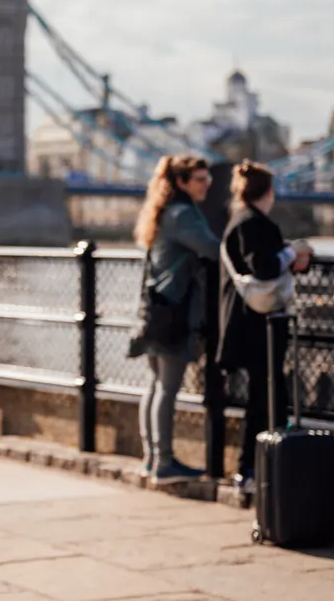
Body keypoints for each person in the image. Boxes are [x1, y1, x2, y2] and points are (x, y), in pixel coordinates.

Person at [217, 160, 312, 494]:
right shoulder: (254, 224)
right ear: (268, 192)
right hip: (260, 326)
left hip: (247, 322)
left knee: (265, 394)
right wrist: (292, 252)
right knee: (266, 395)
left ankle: (257, 468)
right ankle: (256, 469)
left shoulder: (239, 221)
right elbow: (265, 267)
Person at [131, 154, 220, 484]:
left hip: (156, 309)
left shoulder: (165, 210)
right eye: (200, 179)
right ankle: (164, 462)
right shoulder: (183, 214)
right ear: (181, 182)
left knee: (155, 385)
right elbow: (213, 249)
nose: (207, 184)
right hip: (175, 311)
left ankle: (151, 459)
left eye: (207, 178)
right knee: (167, 387)